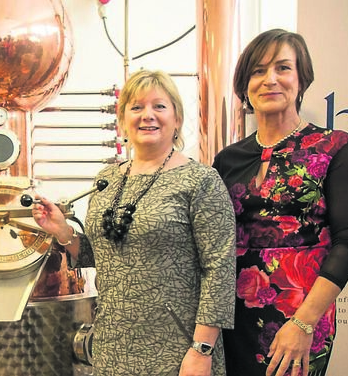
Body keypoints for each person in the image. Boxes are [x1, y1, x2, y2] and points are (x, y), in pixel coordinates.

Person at [32, 70, 236, 375]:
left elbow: (219, 269)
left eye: (159, 106)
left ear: (177, 118)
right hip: (113, 344)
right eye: (137, 107)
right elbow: (102, 256)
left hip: (177, 347)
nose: (147, 116)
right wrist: (63, 231)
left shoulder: (200, 181)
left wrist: (202, 349)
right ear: (123, 119)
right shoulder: (107, 179)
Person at [212, 29, 348, 376]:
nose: (270, 80)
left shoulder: (334, 147)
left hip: (301, 313)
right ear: (245, 85)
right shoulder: (227, 159)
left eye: (283, 68)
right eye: (258, 71)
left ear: (301, 78)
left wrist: (304, 324)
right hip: (232, 315)